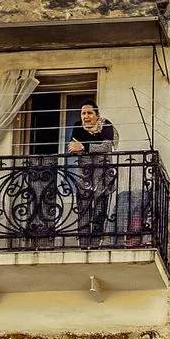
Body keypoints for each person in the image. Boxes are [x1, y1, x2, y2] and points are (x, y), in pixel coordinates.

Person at [68, 101, 116, 247]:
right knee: (83, 209)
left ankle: (95, 244)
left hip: (103, 174)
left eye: (89, 113)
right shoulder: (77, 127)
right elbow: (72, 147)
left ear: (97, 115)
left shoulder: (106, 125)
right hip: (84, 173)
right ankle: (83, 244)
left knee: (100, 209)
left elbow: (107, 146)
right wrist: (94, 147)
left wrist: (84, 146)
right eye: (83, 113)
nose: (86, 117)